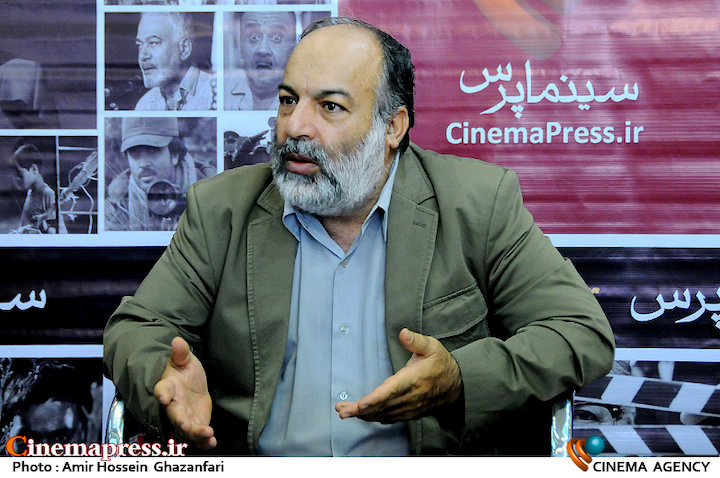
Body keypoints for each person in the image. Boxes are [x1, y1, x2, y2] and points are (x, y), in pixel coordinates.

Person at [104, 17, 615, 455]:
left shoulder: (476, 203)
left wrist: (460, 377)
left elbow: (579, 330)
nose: (295, 127)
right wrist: (163, 377)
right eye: (288, 100)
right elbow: (136, 328)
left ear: (392, 127)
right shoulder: (223, 209)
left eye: (330, 107)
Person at [106, 117, 215, 231]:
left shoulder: (210, 188)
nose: (143, 164)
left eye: (152, 151)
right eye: (134, 153)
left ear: (174, 154)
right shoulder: (118, 203)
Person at [134, 12, 216, 111]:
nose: (142, 56)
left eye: (153, 43)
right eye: (139, 45)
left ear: (184, 48)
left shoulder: (214, 93)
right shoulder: (145, 104)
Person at [224, 12, 296, 110]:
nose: (263, 50)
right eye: (253, 37)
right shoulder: (217, 90)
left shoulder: (306, 97)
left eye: (276, 38)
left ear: (292, 49)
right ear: (241, 47)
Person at [11, 143, 66, 234]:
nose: (17, 179)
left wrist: (45, 228)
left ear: (34, 169)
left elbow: (62, 233)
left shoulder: (48, 194)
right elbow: (24, 224)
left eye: (20, 174)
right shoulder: (31, 192)